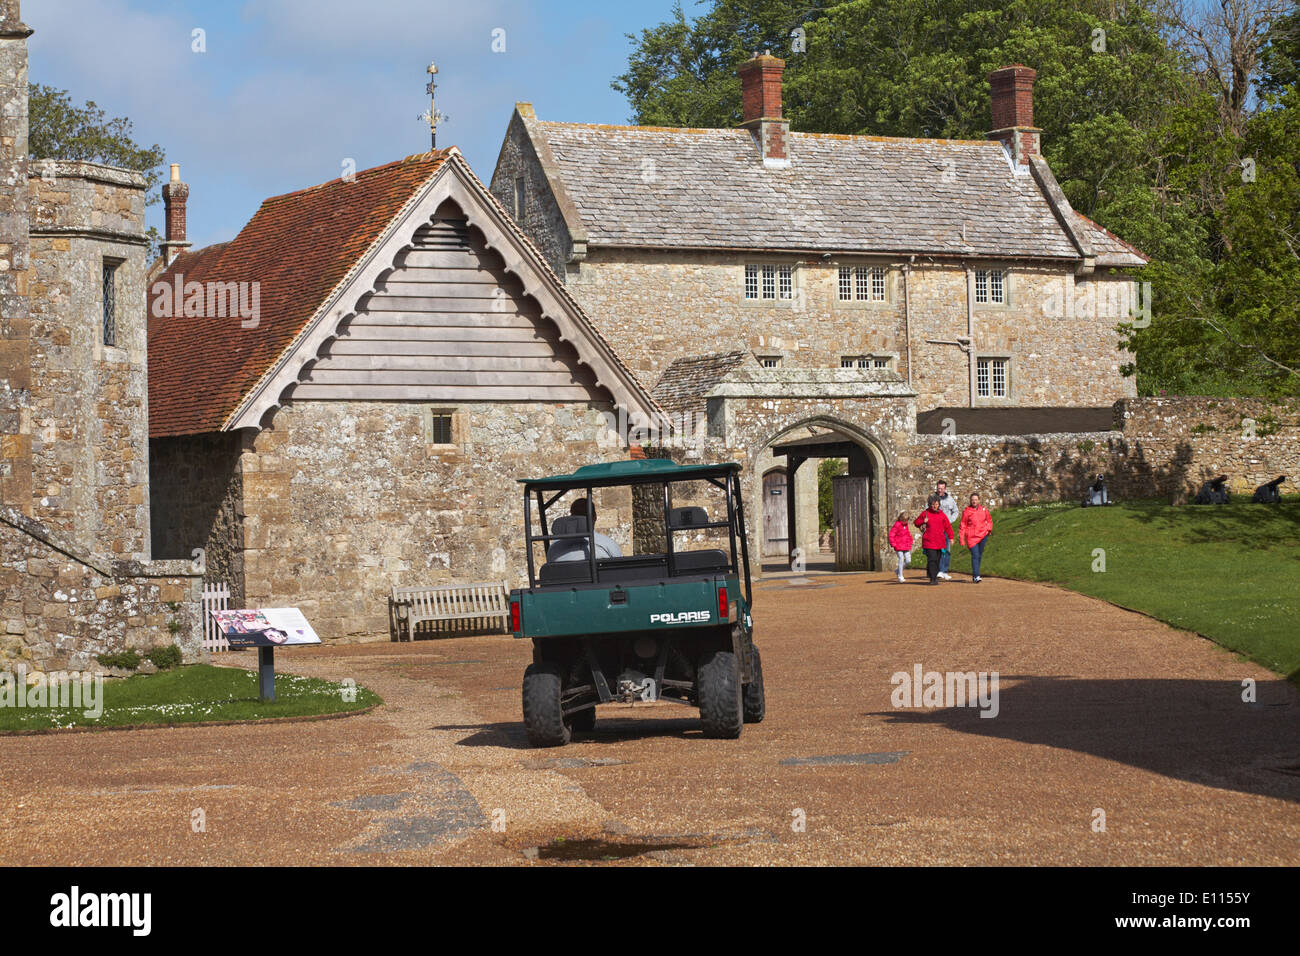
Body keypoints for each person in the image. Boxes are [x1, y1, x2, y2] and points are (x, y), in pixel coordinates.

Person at [546, 498, 624, 562]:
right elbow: (619, 569)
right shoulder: (608, 544)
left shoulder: (554, 547)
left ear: (572, 517)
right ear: (595, 517)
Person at [914, 495, 954, 585]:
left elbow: (948, 526)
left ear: (939, 504)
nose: (935, 506)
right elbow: (916, 523)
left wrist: (951, 537)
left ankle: (932, 575)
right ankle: (933, 579)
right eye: (933, 504)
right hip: (929, 541)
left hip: (939, 542)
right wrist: (923, 521)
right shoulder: (925, 513)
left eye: (936, 504)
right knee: (932, 559)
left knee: (937, 560)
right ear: (929, 505)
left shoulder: (942, 514)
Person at [958, 493, 993, 583]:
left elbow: (989, 520)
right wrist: (962, 539)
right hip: (971, 537)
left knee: (979, 555)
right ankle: (976, 575)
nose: (974, 501)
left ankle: (976, 574)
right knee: (975, 555)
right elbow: (963, 525)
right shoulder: (966, 511)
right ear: (970, 500)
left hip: (982, 535)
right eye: (973, 499)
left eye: (976, 499)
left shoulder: (984, 510)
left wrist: (988, 530)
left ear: (979, 500)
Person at [934, 480, 960, 580]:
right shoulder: (933, 498)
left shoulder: (950, 499)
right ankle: (939, 570)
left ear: (945, 489)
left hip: (946, 528)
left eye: (941, 488)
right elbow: (927, 511)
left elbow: (956, 511)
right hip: (936, 529)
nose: (939, 490)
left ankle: (944, 571)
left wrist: (950, 521)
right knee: (939, 550)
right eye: (938, 488)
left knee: (947, 550)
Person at [888, 511, 914, 583]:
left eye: (906, 520)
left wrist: (910, 540)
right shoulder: (897, 525)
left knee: (908, 560)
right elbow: (891, 534)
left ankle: (898, 570)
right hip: (898, 546)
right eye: (903, 520)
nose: (905, 521)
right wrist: (893, 543)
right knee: (901, 559)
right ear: (900, 519)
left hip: (906, 545)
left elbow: (908, 533)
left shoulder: (906, 525)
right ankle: (900, 576)